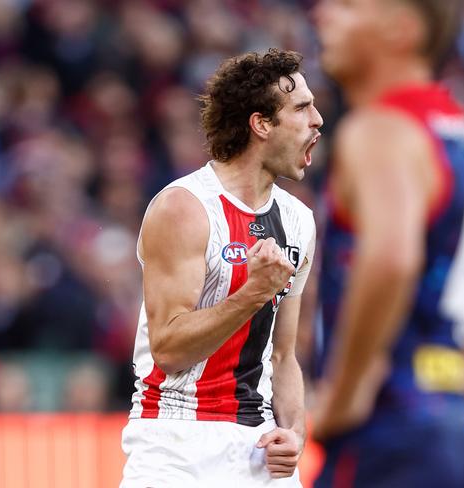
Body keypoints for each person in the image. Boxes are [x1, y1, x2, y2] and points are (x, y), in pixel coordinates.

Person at [312, 0, 464, 486]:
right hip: (453, 436)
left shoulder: (378, 130)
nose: (323, 14)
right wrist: (452, 388)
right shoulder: (462, 136)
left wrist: (346, 389)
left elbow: (392, 258)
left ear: (402, 29)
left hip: (386, 436)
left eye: (349, 6)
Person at [120, 48, 322, 487]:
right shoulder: (185, 207)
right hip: (176, 442)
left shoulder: (298, 221)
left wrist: (295, 432)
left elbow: (284, 354)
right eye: (303, 107)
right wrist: (253, 293)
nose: (318, 120)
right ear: (261, 124)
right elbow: (169, 349)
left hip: (259, 447)